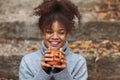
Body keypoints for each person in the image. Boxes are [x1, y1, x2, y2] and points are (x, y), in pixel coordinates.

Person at [19, 0, 88, 80]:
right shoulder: (28, 61)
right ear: (43, 32)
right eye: (49, 32)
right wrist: (43, 72)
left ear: (66, 33)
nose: (55, 37)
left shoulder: (78, 62)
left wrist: (63, 72)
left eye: (61, 33)